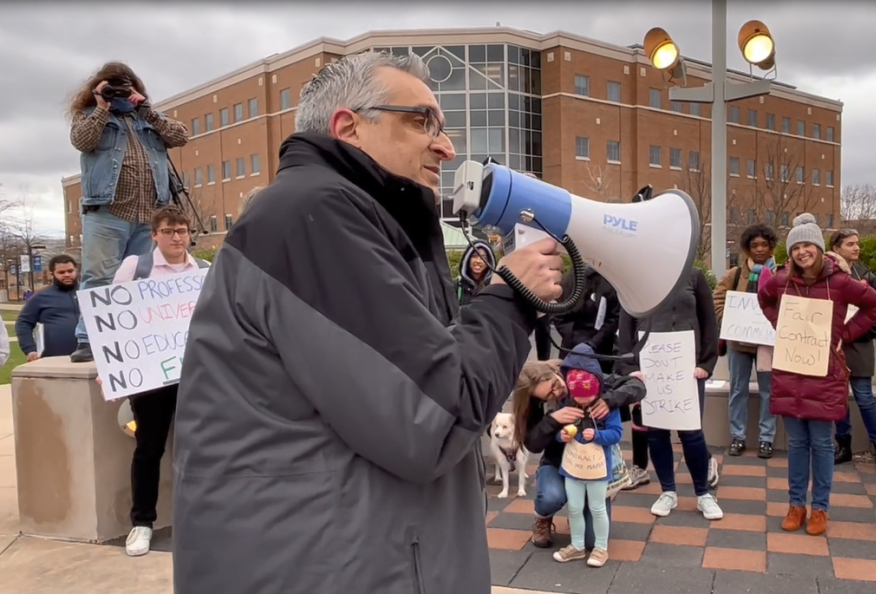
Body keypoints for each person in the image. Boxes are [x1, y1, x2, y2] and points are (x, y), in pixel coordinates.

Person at [170, 50, 563, 594]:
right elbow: (433, 417)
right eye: (421, 120)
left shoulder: (349, 221)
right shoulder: (314, 217)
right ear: (349, 127)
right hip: (332, 567)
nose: (446, 147)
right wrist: (509, 297)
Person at [96, 207, 208, 557]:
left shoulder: (205, 271)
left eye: (182, 230)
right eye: (169, 230)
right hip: (150, 379)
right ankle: (142, 524)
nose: (177, 237)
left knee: (200, 450)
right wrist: (110, 369)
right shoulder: (136, 267)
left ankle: (201, 521)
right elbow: (113, 320)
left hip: (195, 376)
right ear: (154, 235)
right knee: (149, 449)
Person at [759, 214, 876, 535]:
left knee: (823, 444)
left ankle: (821, 509)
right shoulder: (781, 280)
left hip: (825, 372)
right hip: (789, 367)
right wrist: (779, 325)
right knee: (797, 443)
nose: (802, 251)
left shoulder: (840, 281)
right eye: (795, 246)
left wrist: (844, 334)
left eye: (807, 244)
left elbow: (874, 306)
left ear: (819, 247)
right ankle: (796, 505)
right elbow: (764, 299)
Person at [67, 61, 189, 363]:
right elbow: (82, 141)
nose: (119, 92)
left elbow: (180, 136)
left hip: (148, 213)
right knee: (99, 277)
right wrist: (101, 105)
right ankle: (87, 338)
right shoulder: (89, 116)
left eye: (124, 85)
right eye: (112, 86)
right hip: (106, 211)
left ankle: (130, 336)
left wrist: (145, 108)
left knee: (139, 277)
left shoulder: (147, 119)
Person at [618, 267, 724, 521]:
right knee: (656, 432)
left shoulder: (693, 276)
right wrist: (630, 367)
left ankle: (703, 494)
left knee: (692, 432)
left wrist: (707, 364)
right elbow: (626, 324)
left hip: (688, 369)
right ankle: (668, 491)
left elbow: (709, 321)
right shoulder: (635, 278)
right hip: (651, 368)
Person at [512, 356, 645, 549]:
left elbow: (637, 386)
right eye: (548, 396)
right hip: (557, 462)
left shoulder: (581, 377)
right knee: (551, 497)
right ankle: (543, 516)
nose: (557, 393)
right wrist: (553, 420)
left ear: (556, 373)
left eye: (555, 386)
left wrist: (607, 401)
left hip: (594, 465)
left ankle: (581, 513)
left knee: (593, 541)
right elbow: (533, 445)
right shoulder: (537, 402)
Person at [551, 345, 625, 568]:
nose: (584, 401)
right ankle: (576, 545)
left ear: (598, 389)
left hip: (597, 469)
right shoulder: (568, 405)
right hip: (573, 467)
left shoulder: (606, 407)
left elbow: (617, 433)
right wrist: (561, 435)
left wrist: (599, 435)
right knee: (573, 507)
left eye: (589, 396)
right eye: (579, 397)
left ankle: (601, 548)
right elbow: (557, 432)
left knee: (597, 507)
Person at [714, 224, 779, 458]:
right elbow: (718, 299)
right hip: (739, 344)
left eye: (764, 244)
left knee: (769, 392)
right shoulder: (734, 275)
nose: (759, 249)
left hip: (767, 345)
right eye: (754, 245)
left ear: (771, 246)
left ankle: (766, 439)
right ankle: (737, 437)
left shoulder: (780, 274)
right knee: (737, 390)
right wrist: (729, 320)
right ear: (746, 248)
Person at [828, 229, 876, 468]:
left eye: (857, 243)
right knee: (838, 399)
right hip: (833, 350)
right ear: (836, 249)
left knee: (865, 398)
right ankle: (844, 446)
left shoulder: (867, 277)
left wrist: (855, 333)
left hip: (859, 349)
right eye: (850, 244)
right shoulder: (827, 276)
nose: (857, 248)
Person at [14, 255, 80, 360]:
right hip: (54, 358)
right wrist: (30, 349)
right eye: (61, 272)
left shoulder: (88, 293)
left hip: (91, 356)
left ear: (76, 270)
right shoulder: (41, 297)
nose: (67, 275)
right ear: (52, 274)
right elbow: (23, 323)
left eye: (70, 271)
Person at [456, 240, 495, 305]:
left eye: (483, 257)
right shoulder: (456, 288)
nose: (478, 261)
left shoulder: (494, 289)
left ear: (489, 262)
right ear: (467, 259)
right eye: (474, 256)